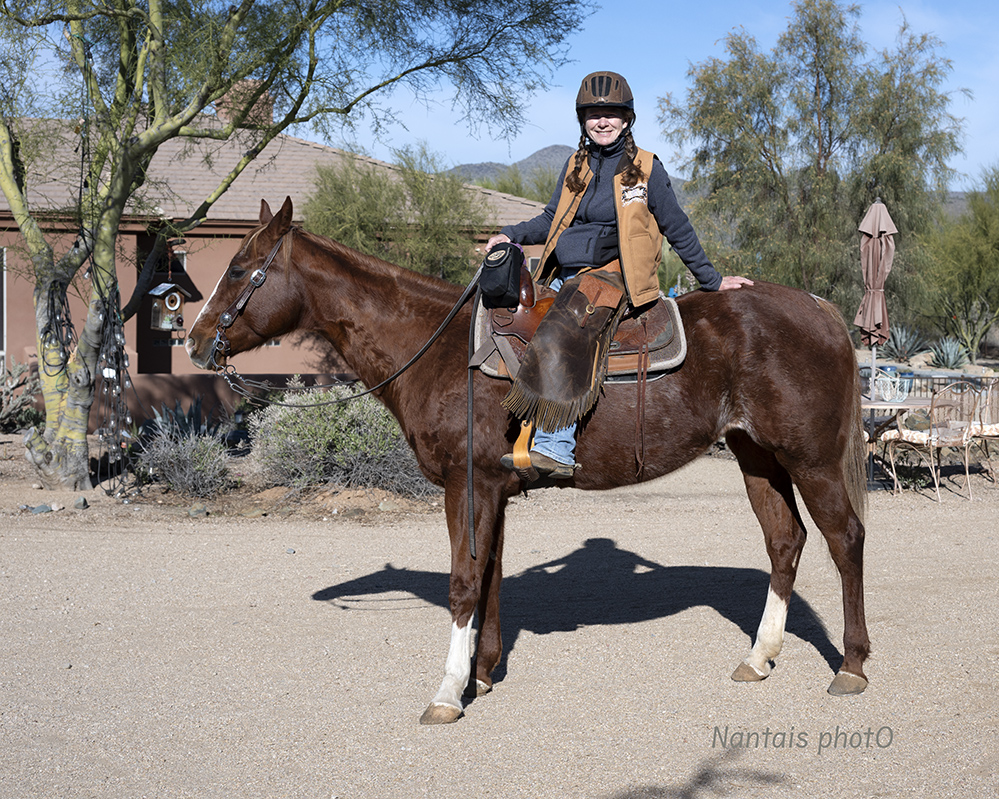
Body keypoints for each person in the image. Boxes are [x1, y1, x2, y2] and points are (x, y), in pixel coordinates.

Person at [487, 70, 753, 479]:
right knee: (510, 318)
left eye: (611, 113)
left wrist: (713, 281)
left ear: (627, 119)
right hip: (564, 273)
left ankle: (555, 447)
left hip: (613, 277)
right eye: (593, 114)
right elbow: (548, 219)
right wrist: (509, 235)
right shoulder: (576, 165)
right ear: (583, 120)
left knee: (564, 327)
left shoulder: (645, 169)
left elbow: (677, 226)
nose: (602, 121)